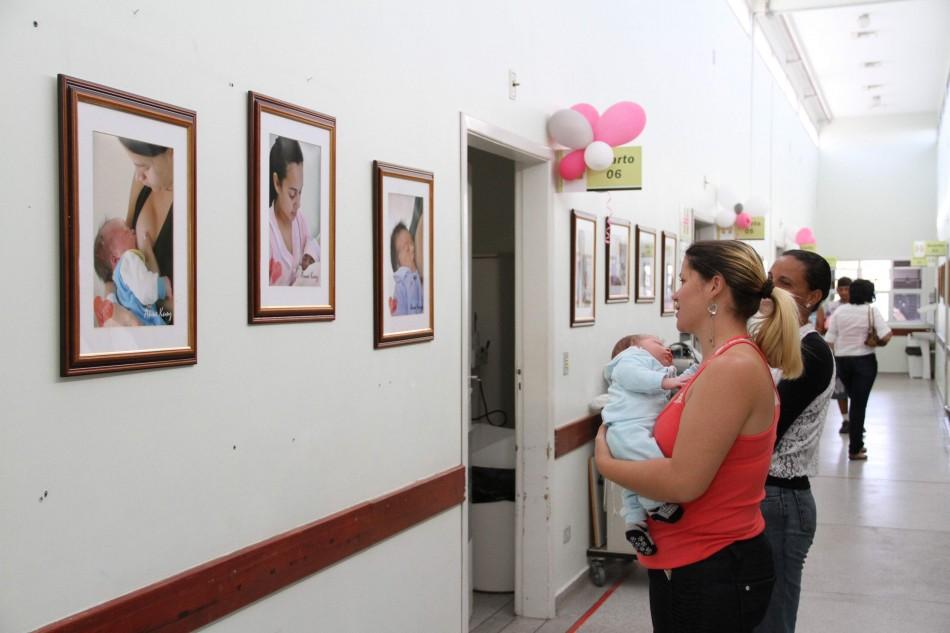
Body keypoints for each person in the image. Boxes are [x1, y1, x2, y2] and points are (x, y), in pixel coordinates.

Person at [595, 239, 803, 633]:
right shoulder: (717, 364)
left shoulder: (732, 368)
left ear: (714, 287)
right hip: (693, 562)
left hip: (713, 567)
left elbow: (683, 482)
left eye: (683, 279)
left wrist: (606, 463)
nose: (674, 292)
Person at [754, 250, 835, 633]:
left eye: (785, 283)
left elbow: (768, 429)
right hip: (761, 494)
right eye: (771, 279)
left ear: (813, 296)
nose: (772, 289)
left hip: (782, 501)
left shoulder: (810, 350)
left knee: (773, 617)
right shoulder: (769, 341)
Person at [601, 335, 693, 556]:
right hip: (628, 430)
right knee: (654, 464)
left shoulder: (655, 369)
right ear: (636, 346)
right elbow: (632, 376)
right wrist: (665, 382)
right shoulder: (630, 359)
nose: (665, 347)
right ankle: (655, 505)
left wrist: (693, 371)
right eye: (658, 343)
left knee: (632, 483)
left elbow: (682, 382)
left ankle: (635, 523)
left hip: (628, 433)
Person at [824, 279, 892, 460]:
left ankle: (856, 443)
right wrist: (876, 341)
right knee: (859, 405)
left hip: (842, 361)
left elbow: (829, 339)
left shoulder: (839, 311)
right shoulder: (871, 311)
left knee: (851, 400)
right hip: (865, 362)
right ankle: (855, 448)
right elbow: (886, 335)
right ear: (870, 294)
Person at [93, 218, 173, 326]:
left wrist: (109, 302)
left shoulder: (119, 281)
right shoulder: (128, 259)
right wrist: (163, 286)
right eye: (125, 232)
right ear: (115, 259)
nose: (132, 231)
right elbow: (145, 290)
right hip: (146, 324)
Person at [268, 136, 319, 286]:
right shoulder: (266, 231)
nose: (298, 203)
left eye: (300, 192)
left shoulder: (300, 220)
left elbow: (311, 241)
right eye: (292, 194)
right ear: (277, 183)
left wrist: (310, 255)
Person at [817, 277, 852, 433]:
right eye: (841, 289)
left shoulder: (859, 306)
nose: (844, 292)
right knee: (840, 389)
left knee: (855, 390)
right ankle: (846, 419)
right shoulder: (831, 307)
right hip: (836, 353)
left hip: (855, 353)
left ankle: (856, 419)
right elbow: (824, 327)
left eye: (847, 289)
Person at [389, 222, 423, 315]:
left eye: (412, 242)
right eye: (406, 248)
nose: (412, 248)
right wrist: (412, 271)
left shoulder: (417, 276)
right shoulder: (401, 284)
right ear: (398, 264)